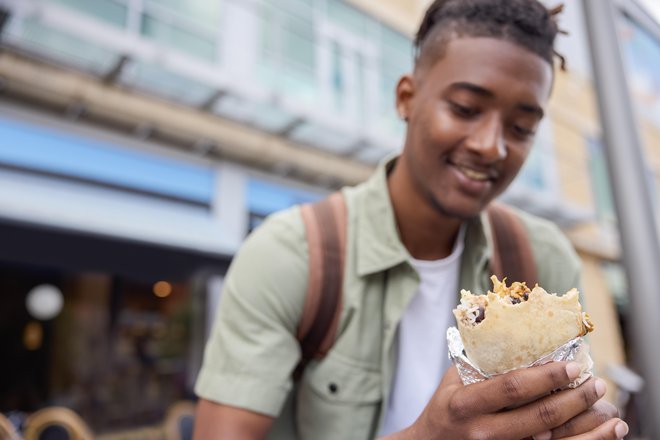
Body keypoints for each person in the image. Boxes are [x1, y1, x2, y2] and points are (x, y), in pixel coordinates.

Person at [193, 0, 628, 438]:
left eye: (521, 129)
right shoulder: (290, 255)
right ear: (407, 98)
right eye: (464, 108)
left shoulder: (541, 259)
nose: (491, 145)